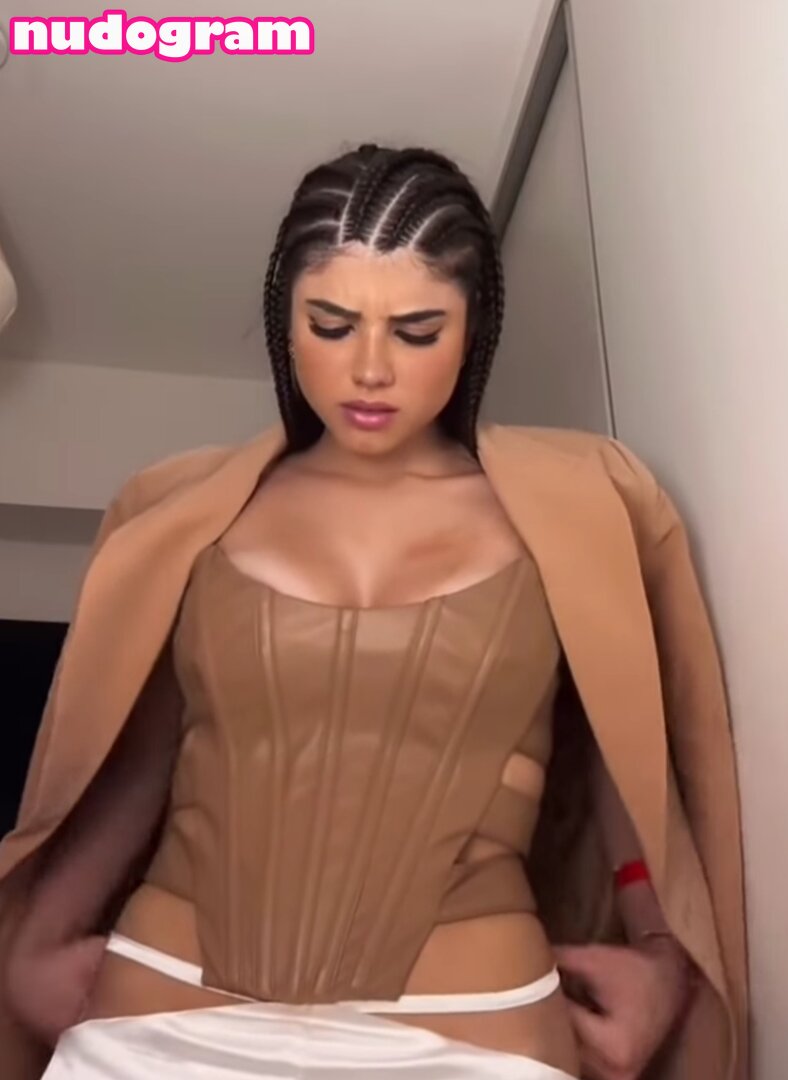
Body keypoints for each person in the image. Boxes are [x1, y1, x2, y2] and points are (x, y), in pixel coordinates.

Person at [0, 144, 747, 1080]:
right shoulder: (183, 513)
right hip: (160, 1013)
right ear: (286, 320)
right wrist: (39, 937)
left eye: (416, 331)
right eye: (332, 323)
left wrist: (664, 954)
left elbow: (621, 757)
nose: (369, 369)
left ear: (474, 333)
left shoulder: (579, 511)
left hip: (470, 1027)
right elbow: (142, 758)